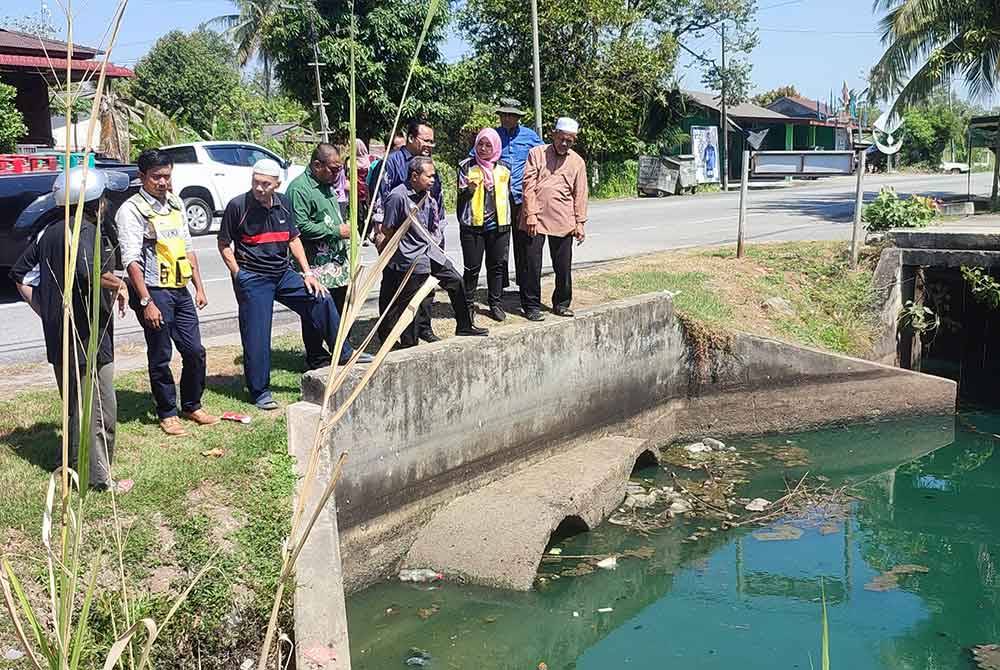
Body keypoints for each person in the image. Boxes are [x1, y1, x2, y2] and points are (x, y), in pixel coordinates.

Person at [10, 167, 131, 492]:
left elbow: (19, 274)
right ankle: (100, 481)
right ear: (94, 202)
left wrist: (46, 312)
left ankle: (78, 468)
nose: (107, 202)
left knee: (78, 408)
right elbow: (87, 272)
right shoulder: (84, 231)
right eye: (103, 197)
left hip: (63, 335)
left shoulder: (50, 230)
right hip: (86, 336)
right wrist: (120, 284)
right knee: (97, 410)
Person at [217, 159, 373, 411]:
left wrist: (308, 273)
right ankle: (260, 391)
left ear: (276, 184)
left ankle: (343, 353)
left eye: (265, 184)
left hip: (282, 272)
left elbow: (294, 239)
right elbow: (224, 244)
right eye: (255, 182)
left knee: (320, 298)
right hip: (253, 279)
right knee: (257, 334)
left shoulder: (284, 204)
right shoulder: (238, 206)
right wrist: (238, 274)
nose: (259, 188)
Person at [115, 149, 219, 437]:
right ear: (142, 177)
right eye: (156, 177)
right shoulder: (131, 210)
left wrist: (199, 286)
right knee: (161, 353)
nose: (162, 182)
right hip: (152, 291)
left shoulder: (174, 202)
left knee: (195, 351)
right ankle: (167, 412)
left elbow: (187, 247)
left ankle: (192, 404)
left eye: (167, 176)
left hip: (179, 287)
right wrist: (146, 301)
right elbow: (131, 259)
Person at [378, 156, 488, 346]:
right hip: (411, 256)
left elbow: (432, 225)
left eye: (433, 176)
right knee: (413, 302)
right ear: (414, 176)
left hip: (430, 250)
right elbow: (387, 229)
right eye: (428, 176)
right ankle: (409, 343)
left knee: (456, 281)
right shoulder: (398, 197)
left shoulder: (427, 195)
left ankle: (464, 325)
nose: (432, 180)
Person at [378, 120, 444, 343]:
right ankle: (388, 333)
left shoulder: (429, 164)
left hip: (427, 236)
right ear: (411, 138)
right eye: (426, 140)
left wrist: (437, 230)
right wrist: (383, 236)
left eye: (432, 141)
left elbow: (437, 198)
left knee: (425, 287)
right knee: (394, 290)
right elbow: (381, 198)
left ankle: (422, 328)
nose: (430, 145)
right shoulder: (393, 163)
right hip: (400, 237)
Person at [517, 117, 588, 320]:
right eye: (561, 139)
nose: (564, 144)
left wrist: (580, 223)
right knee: (531, 264)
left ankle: (562, 303)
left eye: (569, 141)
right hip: (535, 218)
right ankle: (531, 305)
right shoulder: (537, 154)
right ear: (554, 134)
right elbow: (528, 186)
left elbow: (580, 193)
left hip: (563, 218)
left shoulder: (577, 162)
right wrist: (530, 214)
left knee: (563, 266)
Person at [481, 98, 543, 288]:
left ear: (518, 118)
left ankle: (525, 288)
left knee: (524, 246)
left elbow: (543, 158)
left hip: (522, 198)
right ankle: (499, 289)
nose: (507, 118)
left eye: (511, 115)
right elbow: (475, 156)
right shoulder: (492, 136)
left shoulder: (530, 136)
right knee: (498, 245)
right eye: (504, 115)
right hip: (497, 199)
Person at [286, 144, 351, 318]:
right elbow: (300, 227)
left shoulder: (327, 184)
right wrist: (336, 231)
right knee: (317, 315)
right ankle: (315, 347)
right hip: (316, 266)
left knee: (339, 314)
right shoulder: (299, 189)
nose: (337, 174)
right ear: (317, 165)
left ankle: (338, 344)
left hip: (336, 266)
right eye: (333, 169)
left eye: (339, 169)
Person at [457, 128, 512, 322]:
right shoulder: (466, 166)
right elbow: (460, 199)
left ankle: (495, 304)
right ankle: (468, 306)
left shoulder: (505, 168)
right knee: (472, 268)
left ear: (496, 146)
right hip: (472, 226)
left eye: (489, 145)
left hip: (499, 226)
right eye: (480, 143)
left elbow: (509, 196)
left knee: (496, 266)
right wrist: (468, 190)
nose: (483, 148)